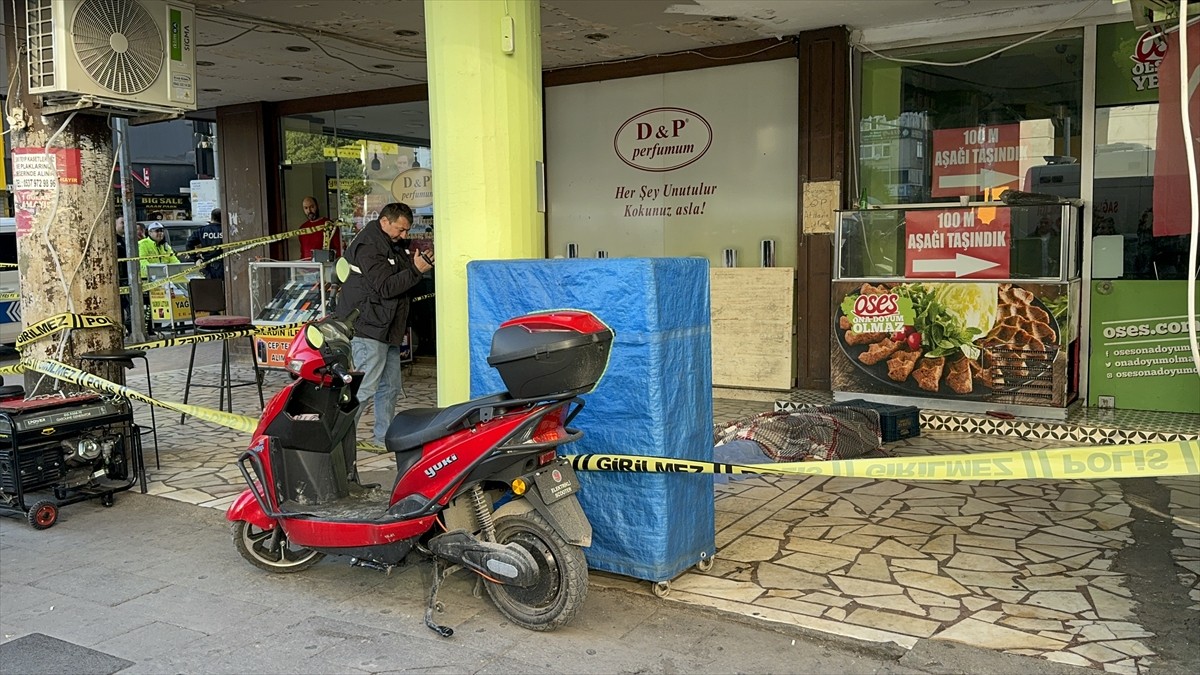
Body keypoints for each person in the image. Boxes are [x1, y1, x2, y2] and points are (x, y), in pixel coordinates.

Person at [336, 202, 433, 445]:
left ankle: (383, 437)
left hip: (388, 327)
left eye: (407, 230)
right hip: (368, 327)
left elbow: (403, 282)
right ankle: (337, 440)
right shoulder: (368, 246)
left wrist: (417, 266)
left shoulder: (393, 244)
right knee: (365, 387)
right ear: (384, 222)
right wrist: (416, 270)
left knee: (390, 386)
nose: (404, 235)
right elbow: (386, 287)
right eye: (400, 229)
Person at [186, 208, 225, 280]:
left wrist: (196, 259)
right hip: (225, 265)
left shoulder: (202, 230)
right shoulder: (227, 230)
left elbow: (189, 244)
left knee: (210, 289)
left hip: (208, 267)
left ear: (212, 217)